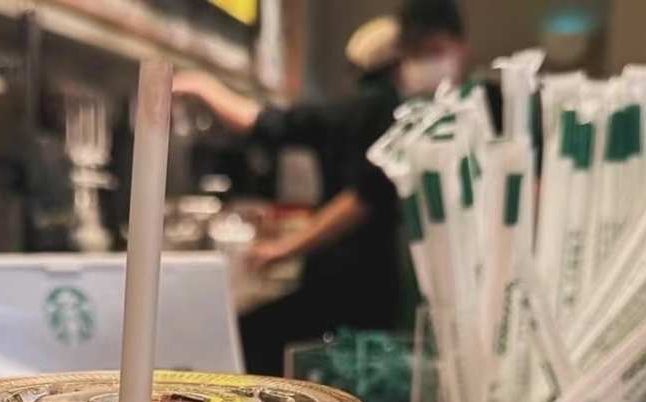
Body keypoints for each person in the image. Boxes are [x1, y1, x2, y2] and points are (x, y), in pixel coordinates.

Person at [174, 1, 473, 375]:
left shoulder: (390, 111)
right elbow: (272, 124)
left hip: (356, 286)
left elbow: (362, 198)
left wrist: (283, 248)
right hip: (372, 288)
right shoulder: (392, 110)